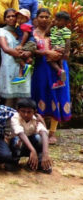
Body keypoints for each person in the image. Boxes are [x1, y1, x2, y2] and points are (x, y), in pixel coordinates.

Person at [31, 8, 71, 145]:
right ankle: (40, 129)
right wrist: (46, 53)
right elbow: (30, 50)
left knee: (58, 96)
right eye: (41, 16)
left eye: (47, 17)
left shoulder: (57, 30)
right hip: (41, 68)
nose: (44, 19)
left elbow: (66, 46)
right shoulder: (32, 33)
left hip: (58, 68)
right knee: (41, 95)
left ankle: (52, 132)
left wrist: (60, 54)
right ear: (36, 18)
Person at [0, 8, 32, 107]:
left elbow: (31, 44)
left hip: (22, 68)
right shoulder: (1, 31)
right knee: (9, 98)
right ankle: (8, 121)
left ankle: (19, 121)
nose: (11, 18)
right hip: (8, 67)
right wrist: (22, 55)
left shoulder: (21, 30)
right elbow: (6, 48)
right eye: (8, 16)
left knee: (21, 100)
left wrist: (29, 53)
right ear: (5, 20)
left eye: (13, 16)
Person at [9, 98, 52, 173]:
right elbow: (20, 133)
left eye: (29, 112)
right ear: (18, 111)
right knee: (16, 140)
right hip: (18, 146)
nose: (26, 114)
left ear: (34, 112)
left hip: (30, 146)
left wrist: (45, 153)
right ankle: (14, 160)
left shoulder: (36, 119)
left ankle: (36, 162)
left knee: (39, 138)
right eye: (23, 111)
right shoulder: (15, 118)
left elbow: (44, 133)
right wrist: (33, 150)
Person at [11, 9, 37, 85]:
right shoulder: (20, 26)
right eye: (18, 18)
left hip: (30, 43)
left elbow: (26, 35)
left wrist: (21, 45)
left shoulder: (25, 25)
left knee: (16, 53)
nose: (19, 20)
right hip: (29, 44)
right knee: (21, 55)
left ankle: (24, 65)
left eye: (22, 18)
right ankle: (20, 76)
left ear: (27, 19)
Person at [47, 11, 71, 88]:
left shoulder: (66, 30)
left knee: (50, 59)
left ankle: (59, 71)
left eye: (59, 20)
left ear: (66, 22)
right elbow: (47, 33)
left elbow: (67, 42)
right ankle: (61, 80)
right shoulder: (54, 28)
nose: (57, 21)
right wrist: (51, 24)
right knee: (60, 63)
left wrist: (67, 52)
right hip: (56, 47)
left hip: (59, 47)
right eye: (56, 19)